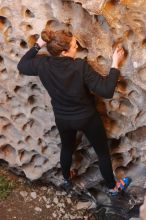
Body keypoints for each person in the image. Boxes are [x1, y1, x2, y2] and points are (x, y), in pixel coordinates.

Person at [17, 29, 131, 196]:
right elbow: (106, 91)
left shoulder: (42, 64)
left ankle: (66, 178)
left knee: (67, 148)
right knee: (102, 153)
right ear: (64, 52)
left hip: (62, 118)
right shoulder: (80, 67)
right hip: (87, 118)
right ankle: (112, 188)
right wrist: (115, 64)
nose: (77, 45)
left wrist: (39, 43)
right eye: (73, 45)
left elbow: (22, 65)